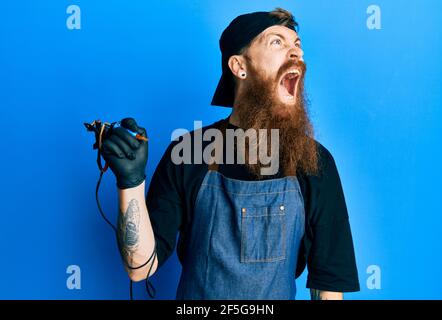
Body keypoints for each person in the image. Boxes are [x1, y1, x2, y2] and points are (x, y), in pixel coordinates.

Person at [100, 8, 360, 300]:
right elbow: (139, 268)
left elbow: (328, 288)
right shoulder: (189, 152)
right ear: (239, 66)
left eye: (297, 45)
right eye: (277, 42)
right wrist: (131, 181)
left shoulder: (314, 160)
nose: (295, 53)